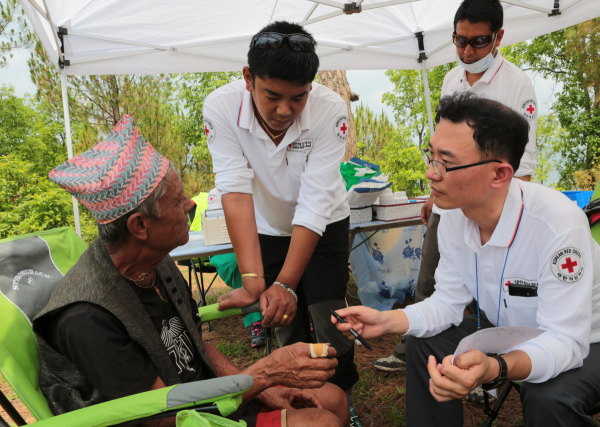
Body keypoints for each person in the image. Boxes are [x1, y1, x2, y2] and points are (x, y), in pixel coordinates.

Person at [334, 93, 600, 427]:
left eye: (446, 163)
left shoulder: (556, 224)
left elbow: (566, 342)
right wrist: (386, 321)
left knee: (548, 394)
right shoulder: (452, 214)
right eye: (431, 155)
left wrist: (496, 366)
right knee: (424, 343)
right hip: (520, 329)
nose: (430, 173)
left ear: (499, 174)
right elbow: (448, 303)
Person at [33, 116, 349, 427]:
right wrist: (264, 375)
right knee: (319, 421)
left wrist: (258, 388)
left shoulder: (155, 262)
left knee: (333, 397)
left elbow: (197, 344)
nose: (190, 206)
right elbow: (160, 417)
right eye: (177, 201)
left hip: (203, 397)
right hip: (172, 417)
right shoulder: (87, 316)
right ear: (140, 226)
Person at [203, 20, 360, 420]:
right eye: (272, 95)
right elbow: (234, 190)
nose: (284, 110)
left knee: (329, 319)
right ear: (248, 78)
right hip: (267, 228)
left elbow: (315, 200)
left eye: (298, 97)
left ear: (311, 88)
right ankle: (298, 403)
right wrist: (256, 281)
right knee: (283, 318)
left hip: (324, 225)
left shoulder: (330, 109)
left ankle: (340, 398)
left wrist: (287, 282)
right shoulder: (219, 107)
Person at [373, 0, 539, 377]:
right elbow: (444, 149)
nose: (467, 51)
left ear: (498, 37)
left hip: (493, 208)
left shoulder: (517, 84)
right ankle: (415, 350)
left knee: (493, 291)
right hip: (451, 204)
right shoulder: (451, 79)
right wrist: (436, 196)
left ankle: (493, 364)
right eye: (459, 41)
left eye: (478, 42)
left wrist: (508, 220)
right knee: (431, 277)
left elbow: (521, 162)